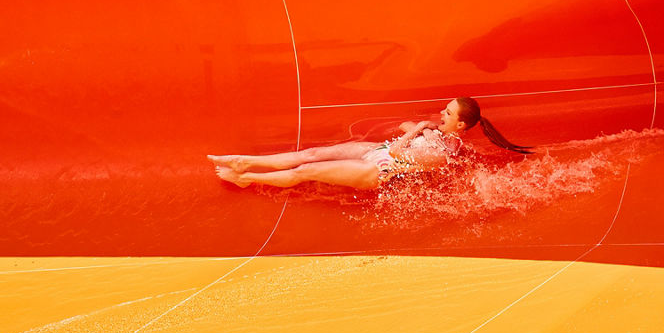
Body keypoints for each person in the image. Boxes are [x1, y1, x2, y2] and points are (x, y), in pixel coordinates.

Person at [209, 96, 530, 191]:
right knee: (312, 152)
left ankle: (246, 177)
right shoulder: (441, 134)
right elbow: (405, 129)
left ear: (461, 125)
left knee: (306, 170)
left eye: (446, 113)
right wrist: (421, 128)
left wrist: (418, 128)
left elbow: (397, 151)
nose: (439, 114)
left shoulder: (444, 155)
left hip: (376, 170)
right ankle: (244, 159)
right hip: (374, 152)